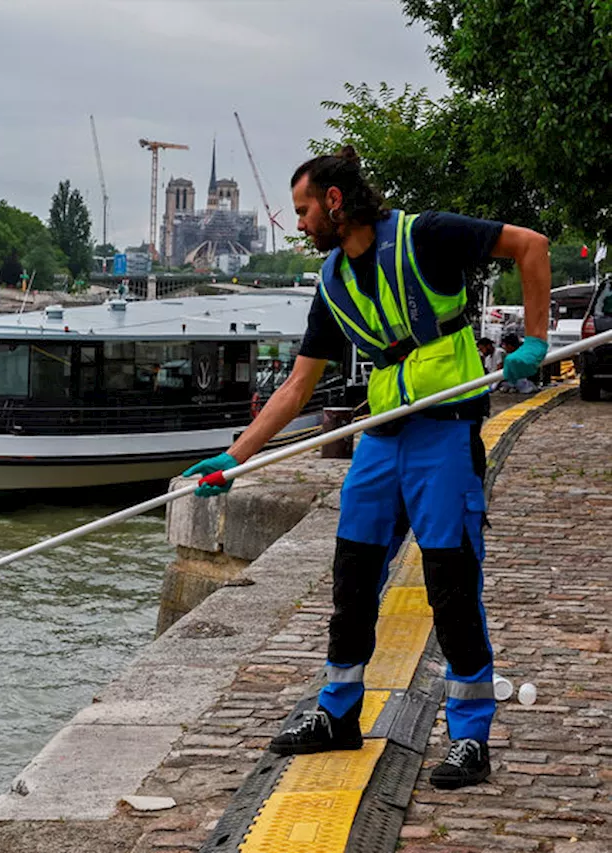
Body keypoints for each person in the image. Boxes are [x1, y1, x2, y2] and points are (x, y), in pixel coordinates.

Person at [184, 146, 550, 790]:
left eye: (302, 210)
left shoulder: (426, 236)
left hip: (444, 432)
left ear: (332, 201)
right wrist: (237, 458)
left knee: (450, 585)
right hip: (380, 439)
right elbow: (298, 385)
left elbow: (531, 245)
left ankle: (469, 736)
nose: (297, 224)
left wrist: (537, 340)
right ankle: (337, 716)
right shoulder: (331, 282)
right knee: (352, 579)